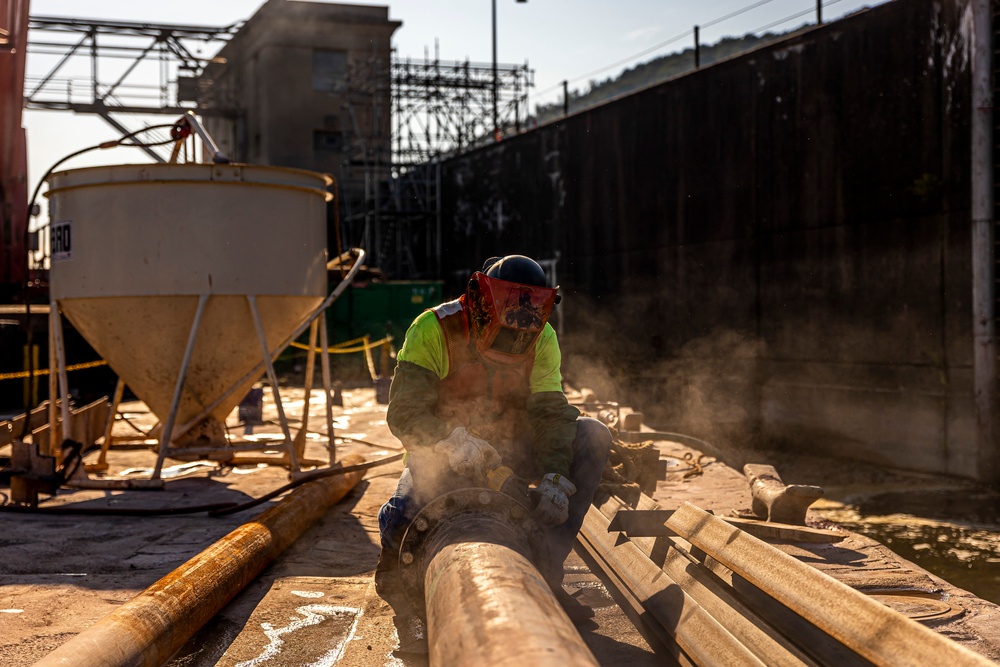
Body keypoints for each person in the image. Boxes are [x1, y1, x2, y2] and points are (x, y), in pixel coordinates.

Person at [376, 254, 612, 621]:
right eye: (506, 333)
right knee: (409, 518)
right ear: (480, 305)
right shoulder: (434, 328)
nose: (514, 344)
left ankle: (545, 572)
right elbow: (404, 413)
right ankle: (392, 530)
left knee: (593, 435)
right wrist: (451, 440)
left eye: (523, 335)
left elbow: (551, 413)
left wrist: (555, 477)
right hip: (444, 451)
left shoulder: (542, 334)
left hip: (513, 448)